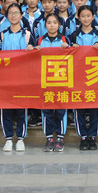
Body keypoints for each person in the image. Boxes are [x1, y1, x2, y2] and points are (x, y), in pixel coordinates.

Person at [0, 3, 34, 151]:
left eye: (16, 13)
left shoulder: (27, 34)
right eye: (10, 13)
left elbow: (35, 53)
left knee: (21, 109)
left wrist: (31, 48)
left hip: (23, 77)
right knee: (6, 108)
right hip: (5, 77)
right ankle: (8, 139)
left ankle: (21, 139)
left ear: (21, 15)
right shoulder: (2, 34)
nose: (13, 16)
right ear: (7, 16)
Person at [69, 6, 98, 151]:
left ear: (93, 17)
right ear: (78, 17)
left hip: (95, 75)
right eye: (82, 16)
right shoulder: (73, 35)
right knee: (79, 106)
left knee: (95, 106)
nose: (85, 18)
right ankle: (83, 136)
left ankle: (93, 136)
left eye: (88, 16)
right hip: (78, 75)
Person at [37, 14, 70, 153]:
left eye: (55, 22)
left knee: (61, 109)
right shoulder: (40, 40)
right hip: (45, 80)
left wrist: (68, 48)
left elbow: (73, 55)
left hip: (62, 80)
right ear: (45, 25)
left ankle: (60, 138)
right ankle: (49, 138)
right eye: (49, 22)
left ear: (59, 25)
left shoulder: (65, 39)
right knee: (47, 109)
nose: (52, 25)